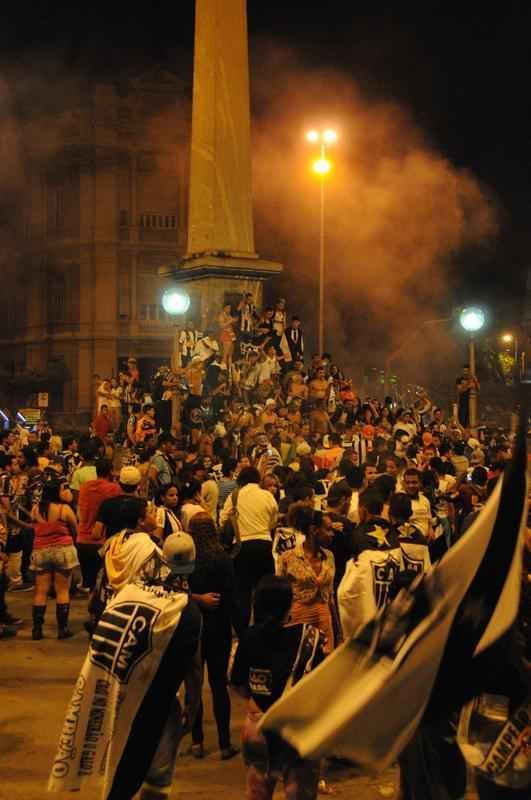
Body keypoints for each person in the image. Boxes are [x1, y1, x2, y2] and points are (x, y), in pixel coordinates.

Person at [231, 575, 325, 800]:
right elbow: (322, 684)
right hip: (296, 730)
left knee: (257, 793)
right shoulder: (308, 637)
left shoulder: (248, 637)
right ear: (288, 605)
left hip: (258, 728)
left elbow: (237, 684)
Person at [188, 513, 239, 760]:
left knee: (194, 686)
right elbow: (231, 596)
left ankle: (196, 741)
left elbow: (177, 591)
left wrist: (196, 599)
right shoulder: (223, 558)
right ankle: (224, 744)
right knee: (219, 685)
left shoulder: (186, 557)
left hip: (192, 628)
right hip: (219, 627)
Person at [220, 466, 277, 631]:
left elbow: (223, 520)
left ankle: (243, 631)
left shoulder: (234, 496)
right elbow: (273, 520)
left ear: (240, 482)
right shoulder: (267, 495)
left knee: (242, 592)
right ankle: (265, 628)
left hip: (242, 547)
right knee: (265, 591)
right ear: (258, 480)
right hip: (264, 544)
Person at [277, 506, 336, 652]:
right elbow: (278, 594)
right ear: (314, 530)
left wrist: (338, 628)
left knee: (326, 659)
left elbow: (331, 595)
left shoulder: (329, 556)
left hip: (324, 617)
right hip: (297, 618)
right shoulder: (288, 557)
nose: (332, 534)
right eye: (328, 529)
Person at [30, 478, 79, 640]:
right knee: (62, 590)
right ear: (56, 492)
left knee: (41, 590)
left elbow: (34, 528)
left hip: (40, 551)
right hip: (62, 551)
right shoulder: (64, 509)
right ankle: (62, 630)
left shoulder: (36, 509)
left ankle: (37, 630)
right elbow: (75, 529)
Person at [77, 457, 121, 591]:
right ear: (111, 471)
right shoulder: (113, 488)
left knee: (90, 585)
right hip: (102, 542)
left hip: (82, 540)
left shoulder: (85, 487)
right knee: (101, 587)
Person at [456, 364, 480, 428]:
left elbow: (478, 388)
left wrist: (475, 380)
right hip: (462, 402)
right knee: (462, 419)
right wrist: (468, 386)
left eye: (467, 371)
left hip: (470, 402)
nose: (465, 373)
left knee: (468, 420)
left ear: (469, 371)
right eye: (464, 371)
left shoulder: (471, 379)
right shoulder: (459, 379)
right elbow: (459, 390)